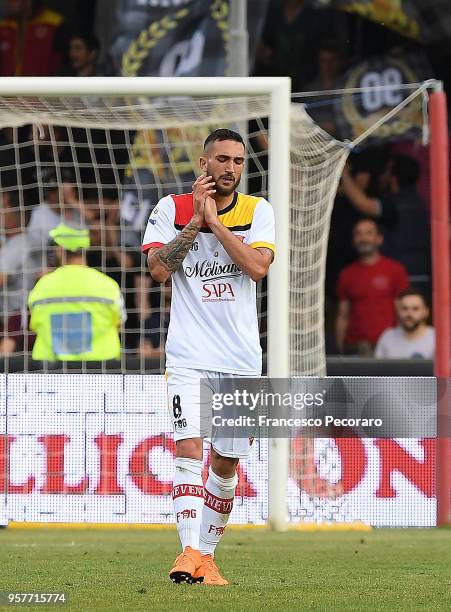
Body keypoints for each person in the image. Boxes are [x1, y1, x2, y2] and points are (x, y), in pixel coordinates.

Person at [142, 128, 275, 585]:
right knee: (187, 447)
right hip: (188, 355)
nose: (230, 169)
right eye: (222, 160)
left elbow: (258, 268)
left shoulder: (258, 210)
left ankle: (207, 557)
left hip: (240, 360)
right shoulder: (170, 208)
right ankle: (188, 553)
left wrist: (215, 223)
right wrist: (194, 223)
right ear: (204, 163)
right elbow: (158, 269)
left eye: (238, 161)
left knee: (226, 462)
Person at [28, 224, 125, 361]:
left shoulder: (42, 285)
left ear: (60, 249)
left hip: (52, 372)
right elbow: (119, 324)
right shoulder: (107, 285)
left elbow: (35, 325)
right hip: (101, 371)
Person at [335, 218, 409, 355]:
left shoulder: (395, 270)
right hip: (355, 346)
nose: (363, 238)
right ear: (353, 240)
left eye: (368, 233)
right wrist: (340, 347)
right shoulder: (346, 274)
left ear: (379, 239)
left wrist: (403, 341)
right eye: (358, 234)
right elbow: (343, 314)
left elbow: (403, 309)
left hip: (389, 344)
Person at [0, 0, 66, 76]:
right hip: (6, 87)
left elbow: (66, 65)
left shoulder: (55, 24)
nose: (8, 2)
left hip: (43, 86)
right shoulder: (3, 27)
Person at [375, 289, 435, 359]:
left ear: (426, 312)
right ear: (397, 311)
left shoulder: (437, 338)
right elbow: (377, 368)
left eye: (415, 309)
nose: (409, 314)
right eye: (404, 308)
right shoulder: (387, 336)